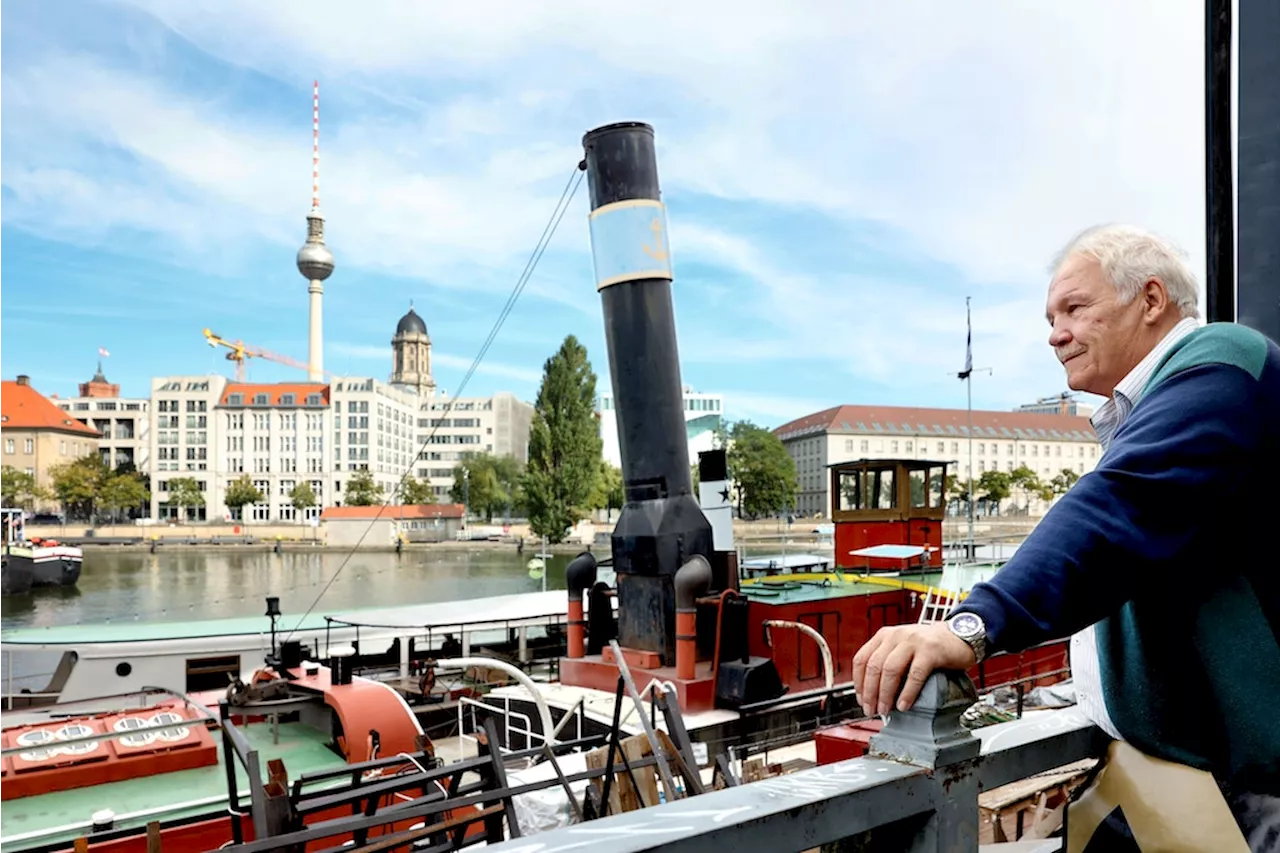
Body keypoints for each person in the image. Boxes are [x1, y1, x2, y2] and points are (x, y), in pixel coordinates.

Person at [851, 223, 1280, 847]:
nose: (1055, 334)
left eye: (1075, 309)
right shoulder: (1169, 401)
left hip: (1248, 788)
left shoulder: (1222, 361)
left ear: (1151, 301)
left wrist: (971, 625)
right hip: (1172, 770)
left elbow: (1117, 509)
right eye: (1050, 317)